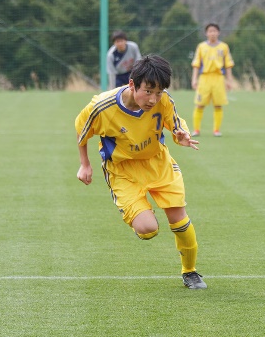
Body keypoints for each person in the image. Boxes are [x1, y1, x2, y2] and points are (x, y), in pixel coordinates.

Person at [75, 55, 207, 290]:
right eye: (148, 91)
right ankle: (141, 220)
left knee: (180, 220)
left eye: (158, 92)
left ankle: (191, 272)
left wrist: (181, 134)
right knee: (148, 229)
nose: (153, 99)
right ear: (132, 84)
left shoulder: (163, 100)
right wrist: (85, 164)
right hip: (123, 171)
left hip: (158, 163)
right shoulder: (101, 107)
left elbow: (175, 123)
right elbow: (82, 131)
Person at [191, 23, 234, 137]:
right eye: (210, 31)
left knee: (218, 105)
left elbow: (228, 65)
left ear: (218, 32)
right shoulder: (201, 47)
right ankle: (196, 130)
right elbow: (196, 64)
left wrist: (229, 80)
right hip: (204, 78)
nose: (212, 33)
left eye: (215, 31)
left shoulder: (224, 47)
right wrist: (194, 79)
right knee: (199, 104)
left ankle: (216, 130)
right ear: (206, 33)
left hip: (218, 78)